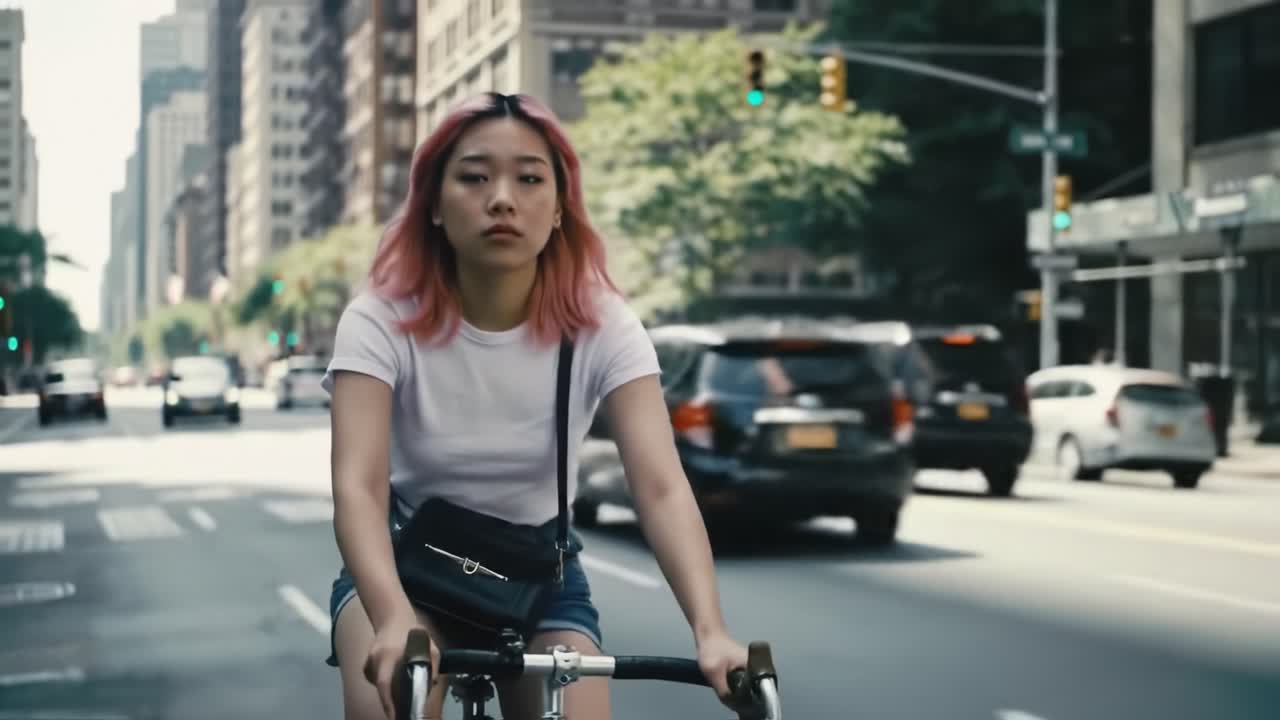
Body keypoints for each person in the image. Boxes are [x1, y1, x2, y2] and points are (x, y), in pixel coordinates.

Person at [322, 91, 751, 720]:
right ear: (435, 205)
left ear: (558, 209)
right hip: (404, 567)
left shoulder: (603, 324)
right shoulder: (379, 319)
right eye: (474, 177)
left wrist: (710, 632)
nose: (502, 198)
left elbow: (660, 488)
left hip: (538, 576)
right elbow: (357, 486)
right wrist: (389, 619)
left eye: (529, 178)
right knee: (392, 707)